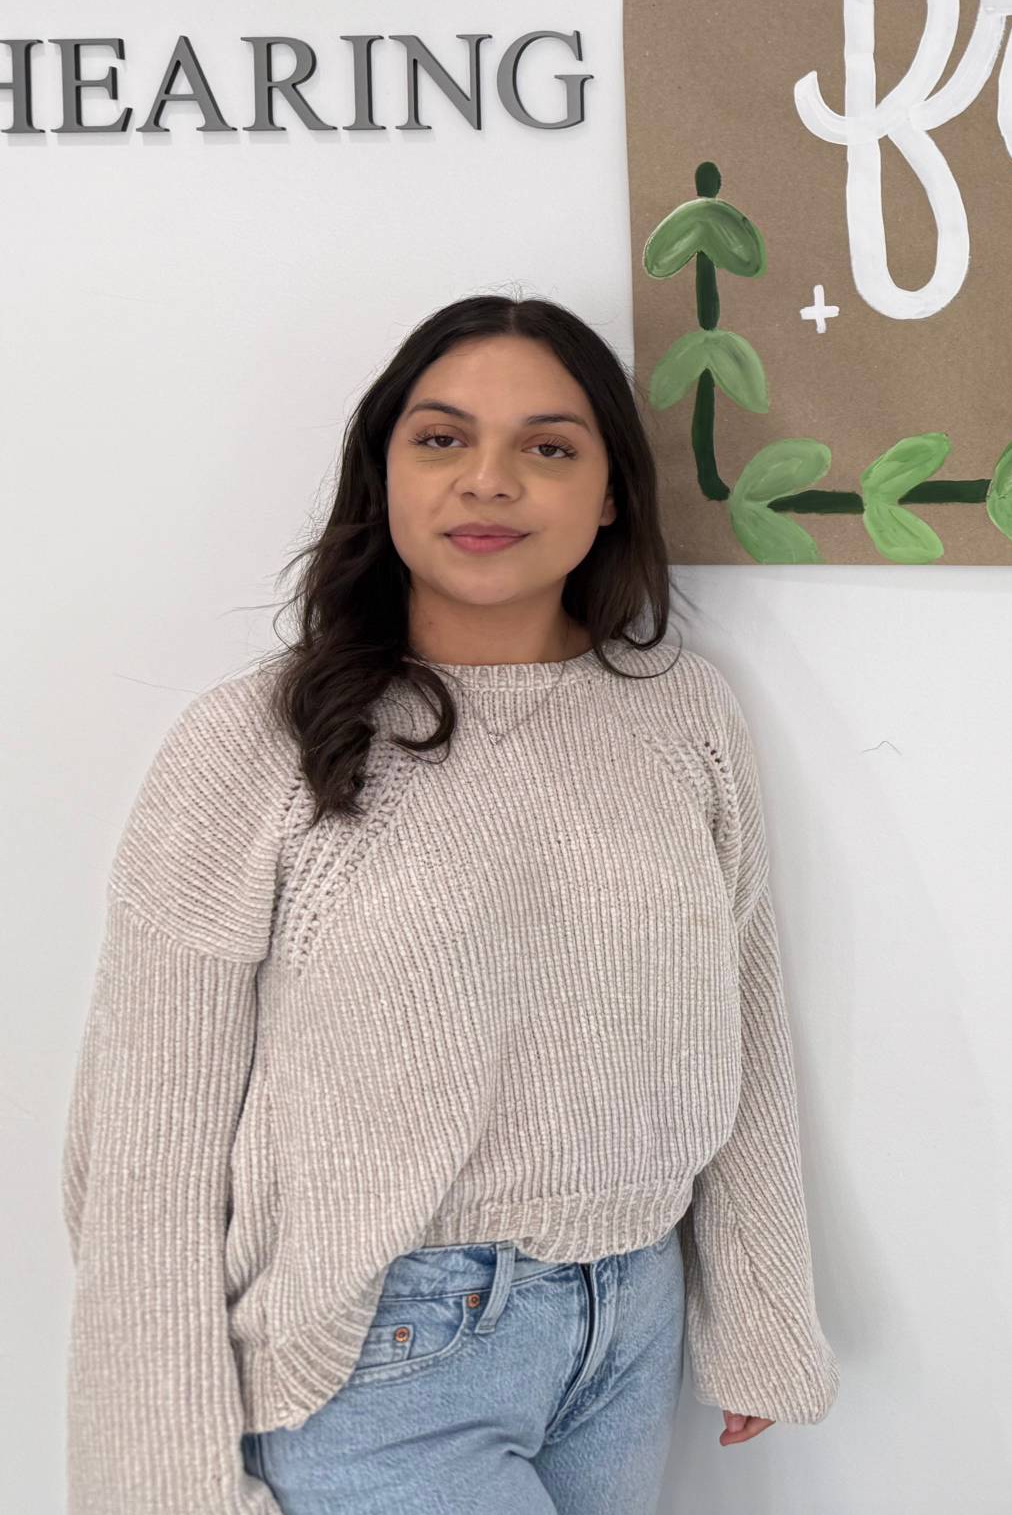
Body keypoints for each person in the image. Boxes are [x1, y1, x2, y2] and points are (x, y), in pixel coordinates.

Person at [65, 297, 838, 1514]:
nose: (489, 482)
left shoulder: (683, 716)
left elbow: (740, 1031)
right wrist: (163, 1488)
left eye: (547, 447)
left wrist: (758, 1314)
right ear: (383, 479)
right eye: (440, 440)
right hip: (379, 1360)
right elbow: (145, 1154)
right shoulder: (254, 744)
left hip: (629, 1329)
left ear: (612, 496)